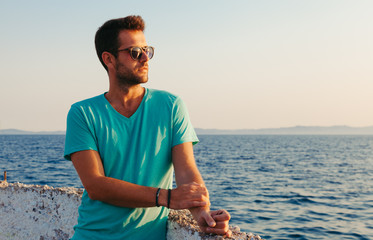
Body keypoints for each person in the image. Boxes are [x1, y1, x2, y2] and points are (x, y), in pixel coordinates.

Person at [64, 15, 231, 239]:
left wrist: (202, 213)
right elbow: (96, 185)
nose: (145, 58)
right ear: (109, 59)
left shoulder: (171, 106)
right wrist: (166, 197)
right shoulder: (83, 113)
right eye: (135, 52)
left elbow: (186, 170)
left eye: (147, 50)